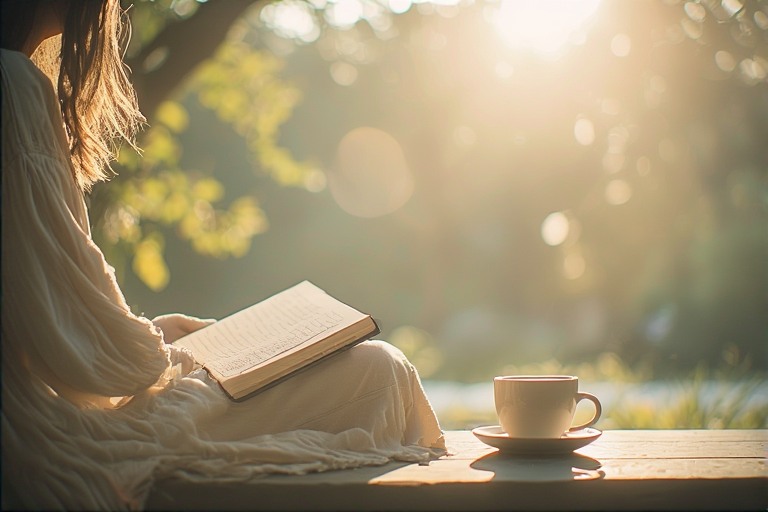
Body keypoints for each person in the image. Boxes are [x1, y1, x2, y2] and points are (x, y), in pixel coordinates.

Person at [0, 1, 445, 509]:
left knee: (369, 367)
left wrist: (158, 331)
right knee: (376, 369)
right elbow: (67, 338)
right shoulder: (15, 84)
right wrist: (168, 354)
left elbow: (42, 310)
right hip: (52, 432)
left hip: (47, 414)